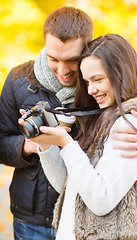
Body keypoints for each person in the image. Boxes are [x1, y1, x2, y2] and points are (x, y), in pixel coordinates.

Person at [30, 34, 137, 239]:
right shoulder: (103, 118)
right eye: (86, 81)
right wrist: (46, 146)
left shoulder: (133, 124)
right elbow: (67, 186)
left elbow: (101, 200)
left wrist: (67, 143)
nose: (91, 90)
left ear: (121, 74)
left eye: (98, 79)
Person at [0, 6, 93, 240]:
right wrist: (33, 145)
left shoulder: (100, 83)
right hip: (31, 218)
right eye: (53, 58)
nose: (63, 71)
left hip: (83, 215)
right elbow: (1, 143)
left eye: (72, 60)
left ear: (88, 48)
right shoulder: (17, 80)